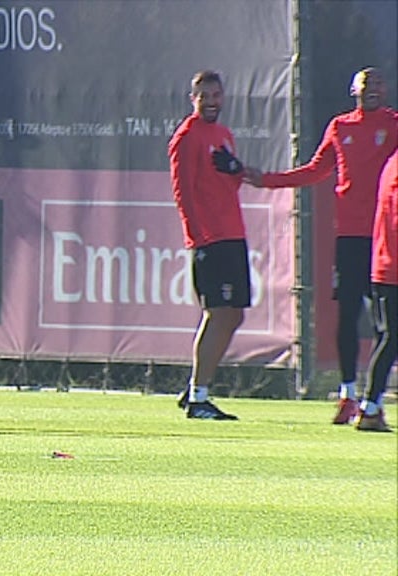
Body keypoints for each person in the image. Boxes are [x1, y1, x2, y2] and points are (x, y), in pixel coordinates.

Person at [243, 67, 398, 424]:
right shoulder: (340, 127)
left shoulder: (392, 125)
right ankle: (348, 394)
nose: (371, 89)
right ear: (353, 90)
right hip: (350, 237)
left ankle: (372, 399)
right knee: (347, 316)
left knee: (386, 325)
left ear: (385, 90)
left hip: (385, 237)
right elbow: (315, 170)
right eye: (365, 84)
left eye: (377, 83)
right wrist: (267, 180)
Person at [168, 70, 248, 420]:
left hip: (233, 234)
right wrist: (196, 238)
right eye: (204, 96)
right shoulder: (187, 137)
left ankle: (195, 387)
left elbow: (231, 186)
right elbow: (182, 191)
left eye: (216, 94)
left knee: (234, 314)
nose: (212, 101)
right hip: (209, 239)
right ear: (193, 99)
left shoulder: (224, 134)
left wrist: (236, 170)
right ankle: (200, 396)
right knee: (217, 312)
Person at [355, 150, 397, 432]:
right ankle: (369, 407)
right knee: (392, 338)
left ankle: (371, 407)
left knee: (389, 337)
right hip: (392, 268)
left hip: (385, 265)